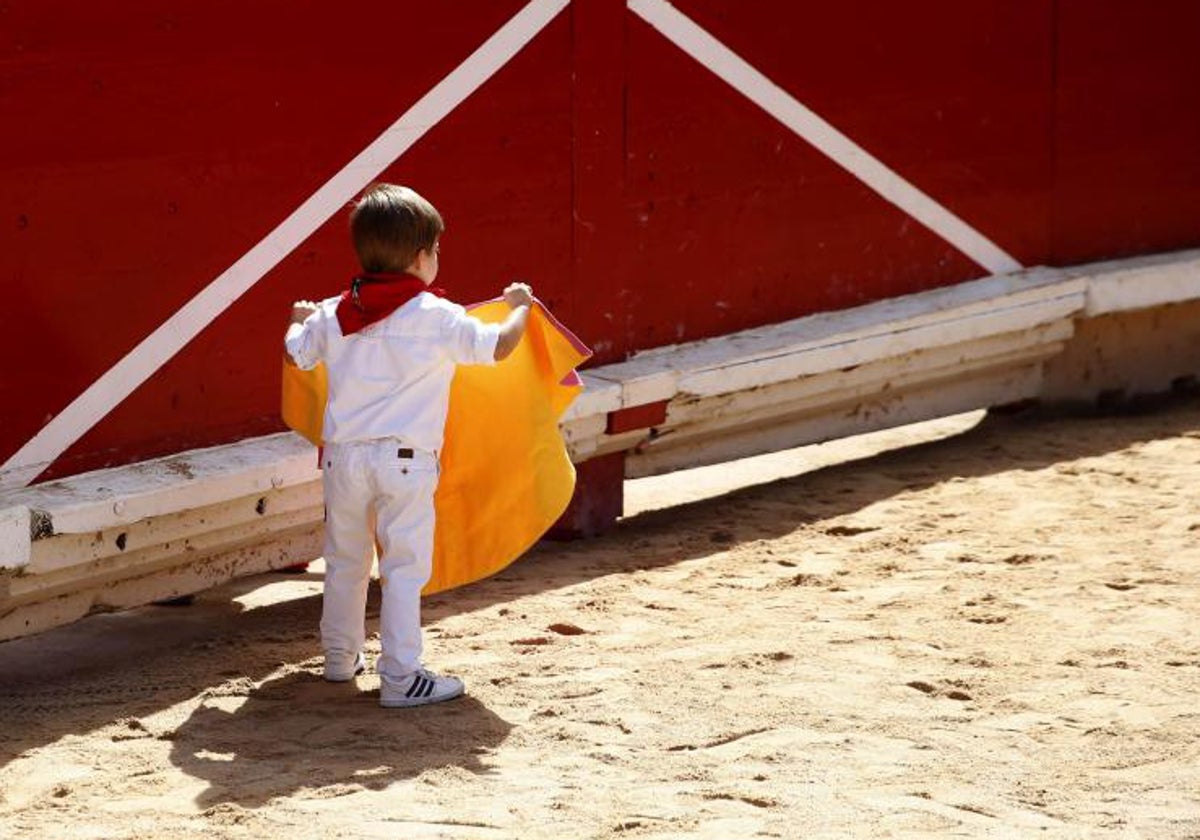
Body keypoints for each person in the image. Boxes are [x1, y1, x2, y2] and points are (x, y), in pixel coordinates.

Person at [284, 183, 532, 708]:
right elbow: (499, 346)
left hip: (344, 460)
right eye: (437, 250)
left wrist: (297, 319)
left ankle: (337, 658)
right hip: (405, 462)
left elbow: (296, 356)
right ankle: (400, 675)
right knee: (402, 568)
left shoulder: (333, 312)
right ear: (421, 258)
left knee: (345, 559)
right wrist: (521, 309)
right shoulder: (435, 317)